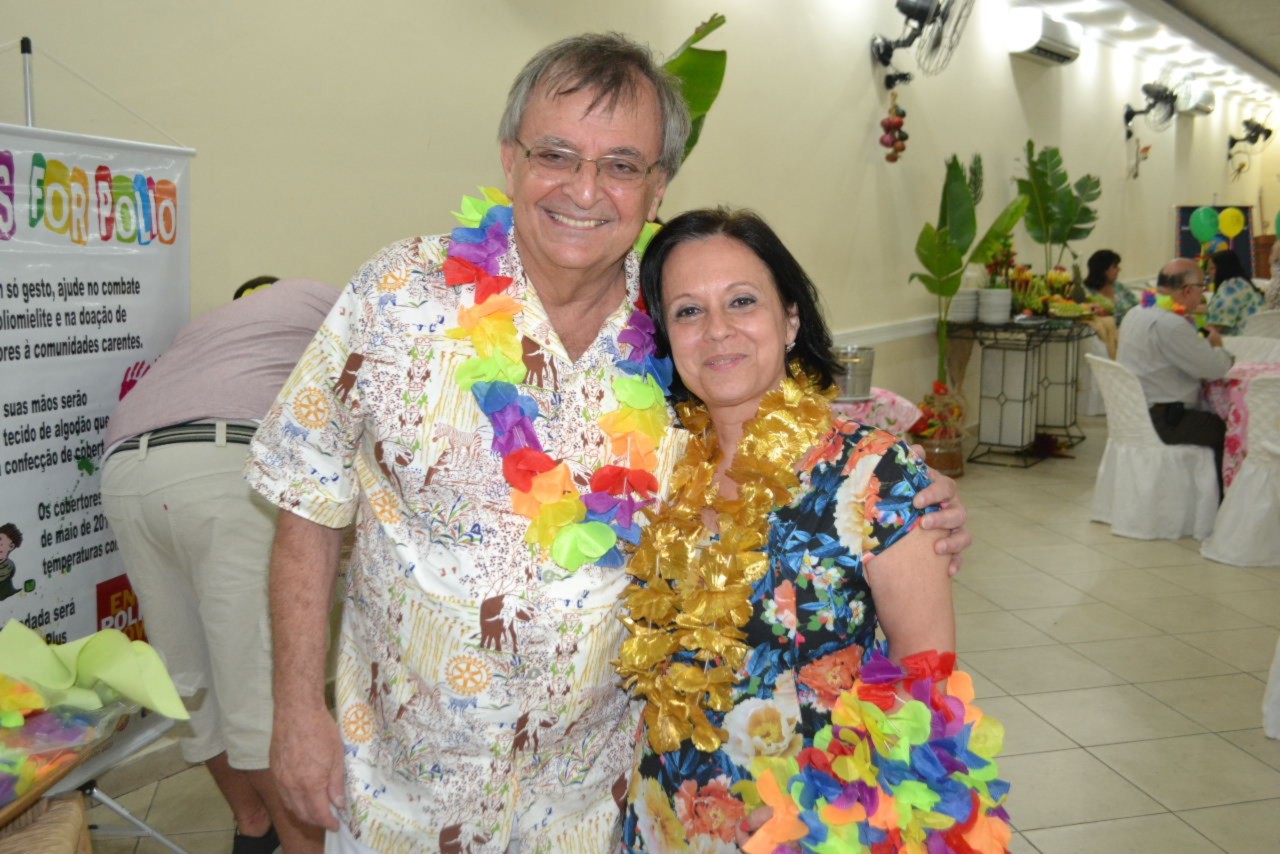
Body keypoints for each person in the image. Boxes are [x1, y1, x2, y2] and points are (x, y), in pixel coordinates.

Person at [245, 33, 972, 853]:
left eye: (622, 165)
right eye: (556, 154)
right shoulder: (396, 295)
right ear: (510, 159)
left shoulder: (673, 325)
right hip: (400, 788)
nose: (585, 189)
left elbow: (780, 442)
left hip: (594, 806)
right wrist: (295, 708)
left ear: (657, 187)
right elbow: (306, 500)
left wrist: (906, 499)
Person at [615, 208, 1010, 853]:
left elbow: (926, 685)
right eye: (688, 311)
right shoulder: (656, 468)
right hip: (669, 814)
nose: (717, 330)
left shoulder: (872, 470)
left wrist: (834, 822)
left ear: (791, 319)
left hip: (817, 823)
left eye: (742, 301)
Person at [101, 277, 338, 854]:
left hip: (126, 472)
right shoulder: (343, 302)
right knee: (265, 696)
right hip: (221, 466)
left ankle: (253, 826)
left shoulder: (211, 329)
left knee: (194, 680)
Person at [1117, 258, 1233, 494]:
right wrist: (1218, 346)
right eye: (1202, 287)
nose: (1202, 294)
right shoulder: (1170, 323)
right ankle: (1221, 504)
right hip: (1165, 421)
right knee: (1231, 432)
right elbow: (1215, 369)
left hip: (1133, 414)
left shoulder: (1137, 311)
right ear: (1187, 290)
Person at [1205, 248, 1264, 336]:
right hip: (1255, 337)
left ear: (1223, 268)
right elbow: (1217, 309)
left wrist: (1194, 335)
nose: (1208, 272)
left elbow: (1213, 329)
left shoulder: (1229, 290)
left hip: (1237, 341)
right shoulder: (1241, 284)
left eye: (1212, 268)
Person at [1084, 249, 1135, 322]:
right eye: (1115, 267)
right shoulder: (1086, 293)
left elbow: (1138, 306)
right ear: (1103, 270)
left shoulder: (1120, 287)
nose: (1119, 269)